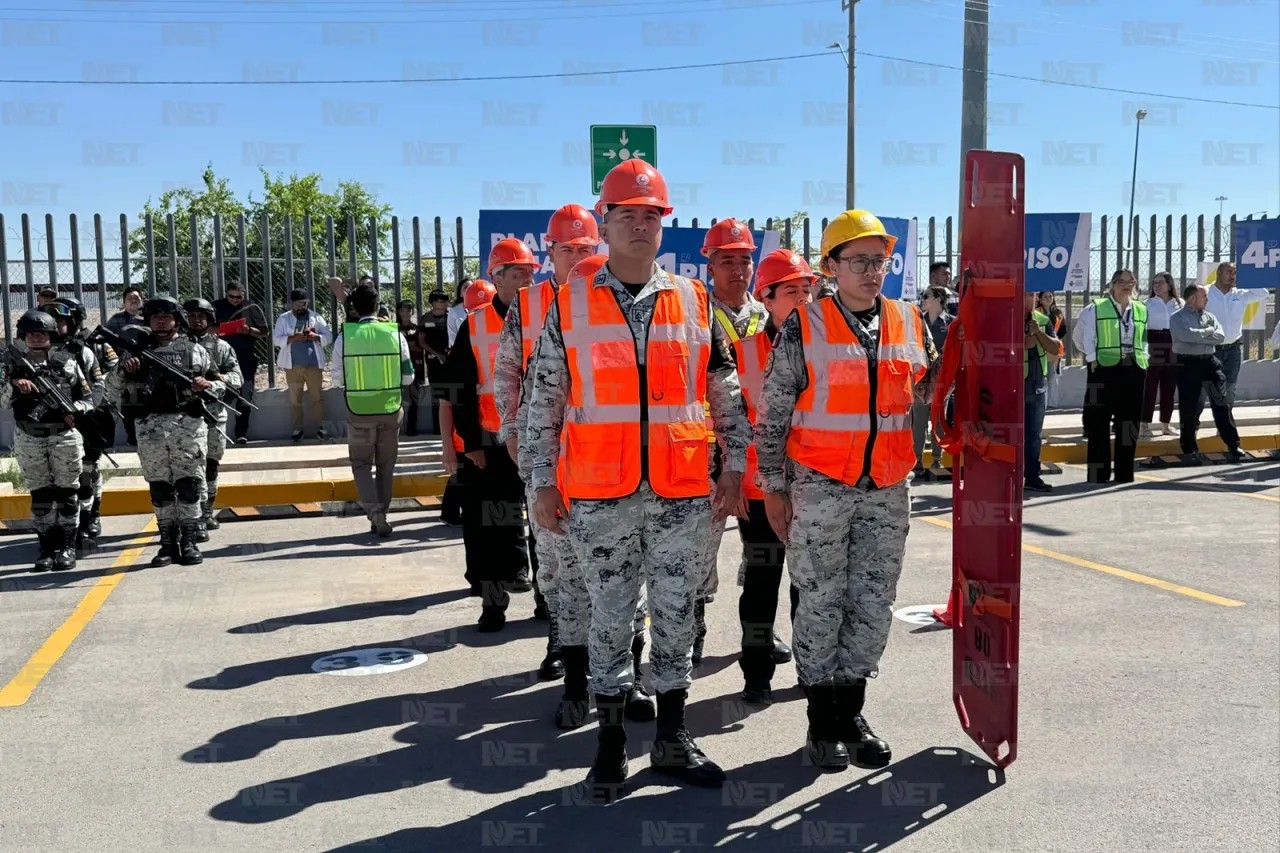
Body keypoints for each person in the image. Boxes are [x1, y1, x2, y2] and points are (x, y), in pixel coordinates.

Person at [526, 159, 750, 797]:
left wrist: (735, 466)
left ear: (663, 225)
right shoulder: (570, 303)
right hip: (599, 494)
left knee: (679, 615)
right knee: (610, 618)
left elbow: (724, 391)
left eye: (651, 216)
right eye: (627, 215)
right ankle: (611, 745)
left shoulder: (693, 298)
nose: (641, 226)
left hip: (682, 492)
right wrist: (542, 481)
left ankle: (673, 740)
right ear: (605, 221)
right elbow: (543, 402)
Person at [754, 209, 938, 773]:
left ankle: (853, 712)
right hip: (820, 486)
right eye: (857, 260)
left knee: (871, 602)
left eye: (878, 260)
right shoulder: (804, 325)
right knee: (820, 602)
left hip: (886, 487)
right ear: (831, 266)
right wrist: (773, 488)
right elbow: (773, 413)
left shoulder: (909, 321)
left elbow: (927, 395)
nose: (870, 270)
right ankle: (821, 722)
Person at [492, 205, 598, 676]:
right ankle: (562, 638)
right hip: (544, 448)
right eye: (568, 249)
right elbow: (508, 371)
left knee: (604, 555)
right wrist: (511, 430)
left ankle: (609, 649)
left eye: (586, 249)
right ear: (549, 251)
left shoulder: (608, 298)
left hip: (599, 446)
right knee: (553, 552)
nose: (576, 258)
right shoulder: (529, 304)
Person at [731, 248, 813, 705]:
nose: (802, 298)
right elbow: (728, 424)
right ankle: (756, 672)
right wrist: (737, 479)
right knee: (763, 584)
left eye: (807, 289)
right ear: (766, 297)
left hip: (815, 490)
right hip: (760, 492)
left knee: (809, 584)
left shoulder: (826, 346)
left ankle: (810, 667)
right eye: (791, 291)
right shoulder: (744, 353)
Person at [691, 218, 773, 668]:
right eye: (728, 261)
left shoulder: (767, 314)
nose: (738, 269)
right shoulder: (696, 313)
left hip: (762, 455)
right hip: (709, 455)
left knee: (761, 554)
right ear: (710, 264)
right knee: (701, 548)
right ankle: (694, 627)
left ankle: (758, 635)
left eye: (745, 260)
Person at [446, 243, 537, 632]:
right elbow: (457, 388)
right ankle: (493, 603)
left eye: (530, 273)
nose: (527, 280)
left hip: (540, 437)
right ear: (497, 278)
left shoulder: (549, 316)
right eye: (518, 274)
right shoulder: (476, 323)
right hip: (491, 440)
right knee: (489, 525)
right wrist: (471, 444)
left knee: (547, 523)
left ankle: (549, 601)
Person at [107, 297, 222, 567]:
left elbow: (219, 385)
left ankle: (190, 540)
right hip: (149, 427)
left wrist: (207, 385)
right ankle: (167, 543)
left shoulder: (195, 350)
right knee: (160, 487)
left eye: (166, 316)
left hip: (187, 426)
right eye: (155, 316)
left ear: (176, 319)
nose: (161, 320)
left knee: (189, 486)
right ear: (147, 320)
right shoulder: (134, 351)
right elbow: (111, 390)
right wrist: (123, 368)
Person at [1, 310, 94, 572]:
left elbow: (89, 398)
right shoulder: (10, 365)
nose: (36, 338)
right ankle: (46, 547)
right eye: (31, 333)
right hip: (29, 438)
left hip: (63, 438)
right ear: (24, 336)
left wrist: (73, 411)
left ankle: (66, 546)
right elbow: (2, 402)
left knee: (66, 495)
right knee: (41, 496)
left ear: (51, 335)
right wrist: (14, 386)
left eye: (41, 333)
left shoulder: (68, 362)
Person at [331, 285, 416, 537]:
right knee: (386, 465)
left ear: (354, 309)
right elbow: (409, 377)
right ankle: (383, 514)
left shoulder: (345, 337)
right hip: (391, 408)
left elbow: (336, 379)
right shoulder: (394, 333)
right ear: (379, 306)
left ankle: (375, 514)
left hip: (359, 410)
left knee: (360, 464)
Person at [44, 297, 116, 552]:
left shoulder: (93, 346)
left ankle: (89, 517)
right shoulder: (43, 348)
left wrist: (87, 405)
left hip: (91, 417)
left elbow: (109, 374)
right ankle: (61, 530)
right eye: (54, 321)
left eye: (62, 321)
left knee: (88, 471)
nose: (58, 326)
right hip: (57, 423)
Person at [1072, 269, 1149, 485]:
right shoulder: (1095, 308)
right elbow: (1080, 337)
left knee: (1129, 423)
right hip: (1104, 368)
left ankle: (1124, 474)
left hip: (1133, 367)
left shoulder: (1141, 309)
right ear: (1112, 284)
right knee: (1099, 423)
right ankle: (1098, 474)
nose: (1127, 285)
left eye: (1131, 281)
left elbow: (1144, 339)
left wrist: (1145, 357)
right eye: (1122, 281)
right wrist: (1093, 357)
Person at [184, 298, 243, 541]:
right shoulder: (177, 346)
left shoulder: (222, 348)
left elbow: (237, 378)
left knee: (211, 463)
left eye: (201, 316)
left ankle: (207, 511)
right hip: (185, 414)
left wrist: (215, 383)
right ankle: (193, 514)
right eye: (192, 316)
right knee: (189, 466)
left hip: (213, 411)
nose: (196, 320)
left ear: (209, 319)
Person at [439, 280, 496, 528]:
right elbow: (445, 404)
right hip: (468, 442)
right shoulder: (461, 349)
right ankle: (451, 513)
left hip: (496, 440)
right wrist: (448, 448)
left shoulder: (511, 344)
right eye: (475, 313)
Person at [1170, 283, 1243, 464]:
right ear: (1193, 298)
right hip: (1187, 364)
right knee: (1190, 407)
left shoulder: (1210, 317)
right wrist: (1208, 332)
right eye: (1205, 297)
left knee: (1221, 403)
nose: (1207, 300)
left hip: (1209, 363)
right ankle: (1189, 447)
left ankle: (1233, 444)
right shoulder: (1177, 318)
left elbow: (1220, 336)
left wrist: (1201, 334)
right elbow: (1187, 336)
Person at [272, 288, 332, 442]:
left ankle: (321, 427)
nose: (302, 307)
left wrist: (315, 336)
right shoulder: (284, 319)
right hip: (292, 366)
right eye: (299, 304)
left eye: (304, 304)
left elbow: (328, 336)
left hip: (313, 364)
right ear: (292, 303)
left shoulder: (315, 317)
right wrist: (294, 337)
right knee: (294, 399)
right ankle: (297, 429)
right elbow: (276, 339)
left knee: (317, 398)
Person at [213, 281, 269, 444]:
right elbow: (207, 328)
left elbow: (265, 331)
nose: (235, 300)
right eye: (232, 297)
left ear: (243, 294)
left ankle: (241, 433)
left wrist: (249, 330)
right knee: (217, 393)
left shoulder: (252, 307)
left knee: (245, 396)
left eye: (239, 297)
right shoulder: (216, 307)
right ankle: (215, 432)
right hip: (220, 359)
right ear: (226, 294)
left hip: (245, 358)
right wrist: (225, 329)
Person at [1206, 262, 1268, 409]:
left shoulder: (1240, 294)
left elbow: (1264, 293)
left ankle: (1225, 426)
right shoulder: (1206, 292)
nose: (1233, 276)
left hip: (1233, 349)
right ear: (1219, 273)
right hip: (1212, 350)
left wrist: (1246, 280)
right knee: (1210, 389)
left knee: (1229, 389)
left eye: (1235, 273)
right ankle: (1193, 426)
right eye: (1229, 272)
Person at [1024, 290, 1062, 493]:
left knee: (1033, 436)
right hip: (1011, 386)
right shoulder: (1004, 318)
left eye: (1030, 295)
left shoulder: (1042, 319)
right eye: (1023, 295)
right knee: (1010, 435)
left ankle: (1031, 476)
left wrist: (1038, 333)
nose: (1027, 300)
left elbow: (1056, 348)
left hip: (1037, 385)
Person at [912, 285, 953, 471]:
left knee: (938, 422)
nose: (923, 299)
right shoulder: (918, 322)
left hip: (941, 381)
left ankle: (937, 459)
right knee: (918, 422)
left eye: (926, 296)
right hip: (920, 381)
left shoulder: (952, 324)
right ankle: (917, 460)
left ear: (938, 299)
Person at [1140, 273, 1180, 439]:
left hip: (1173, 346)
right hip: (1153, 345)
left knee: (1169, 387)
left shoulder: (1179, 303)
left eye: (1160, 283)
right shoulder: (1146, 304)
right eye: (1154, 283)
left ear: (1169, 284)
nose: (1156, 286)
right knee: (1149, 387)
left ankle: (1166, 424)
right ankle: (1144, 425)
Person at [420, 290, 451, 435]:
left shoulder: (450, 316)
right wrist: (437, 354)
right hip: (433, 361)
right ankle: (438, 429)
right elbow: (421, 341)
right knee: (436, 395)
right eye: (440, 301)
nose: (444, 303)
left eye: (445, 300)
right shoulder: (426, 318)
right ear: (433, 303)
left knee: (451, 394)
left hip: (449, 360)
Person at [397, 299, 428, 436]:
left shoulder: (417, 329)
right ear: (398, 312)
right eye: (403, 310)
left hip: (416, 368)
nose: (406, 313)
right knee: (397, 400)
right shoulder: (394, 329)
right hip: (397, 369)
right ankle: (397, 428)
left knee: (414, 400)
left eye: (409, 310)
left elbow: (422, 348)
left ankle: (411, 429)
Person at [1037, 291, 1065, 409]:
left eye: (1050, 296)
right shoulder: (1036, 313)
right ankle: (1043, 403)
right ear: (1040, 299)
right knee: (1042, 375)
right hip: (1040, 347)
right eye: (1045, 297)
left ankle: (1052, 404)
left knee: (1053, 375)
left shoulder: (1058, 314)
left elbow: (1062, 332)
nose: (1048, 299)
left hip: (1054, 348)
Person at [447, 278, 473, 348]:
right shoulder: (454, 311)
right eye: (465, 287)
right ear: (460, 293)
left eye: (471, 287)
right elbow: (452, 335)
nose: (468, 290)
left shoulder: (482, 309)